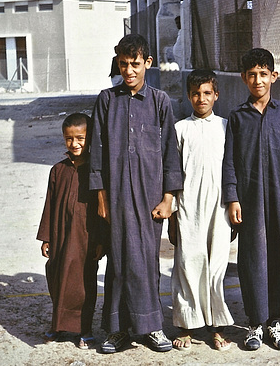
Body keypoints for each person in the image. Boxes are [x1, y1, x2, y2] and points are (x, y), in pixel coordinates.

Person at [89, 34, 182, 354]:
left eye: (135, 64)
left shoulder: (159, 101)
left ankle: (152, 327)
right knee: (117, 259)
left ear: (148, 64)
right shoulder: (106, 99)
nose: (129, 70)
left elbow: (171, 150)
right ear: (118, 63)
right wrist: (101, 197)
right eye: (124, 64)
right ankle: (116, 329)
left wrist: (169, 197)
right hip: (114, 195)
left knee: (144, 259)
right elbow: (96, 151)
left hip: (149, 195)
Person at [222, 48, 280, 351]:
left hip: (279, 197)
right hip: (250, 200)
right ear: (244, 78)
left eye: (263, 74)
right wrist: (232, 198)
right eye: (252, 75)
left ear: (274, 76)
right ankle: (255, 323)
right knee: (252, 258)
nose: (258, 80)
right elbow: (229, 161)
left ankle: (275, 322)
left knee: (279, 257)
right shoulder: (237, 117)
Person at [168, 69, 234, 351]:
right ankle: (187, 325)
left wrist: (233, 202)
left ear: (216, 95)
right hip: (189, 206)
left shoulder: (226, 126)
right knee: (189, 263)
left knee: (217, 265)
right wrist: (172, 208)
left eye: (207, 93)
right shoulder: (180, 128)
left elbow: (234, 167)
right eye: (196, 93)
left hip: (219, 205)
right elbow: (172, 171)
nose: (201, 98)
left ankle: (217, 328)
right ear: (188, 96)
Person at [37, 113, 106, 349]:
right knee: (57, 278)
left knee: (83, 283)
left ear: (90, 139)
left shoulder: (97, 172)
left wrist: (101, 242)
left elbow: (103, 210)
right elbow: (49, 204)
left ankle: (84, 329)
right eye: (69, 139)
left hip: (86, 239)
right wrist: (46, 236)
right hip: (60, 236)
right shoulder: (58, 170)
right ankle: (58, 325)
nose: (74, 144)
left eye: (80, 138)